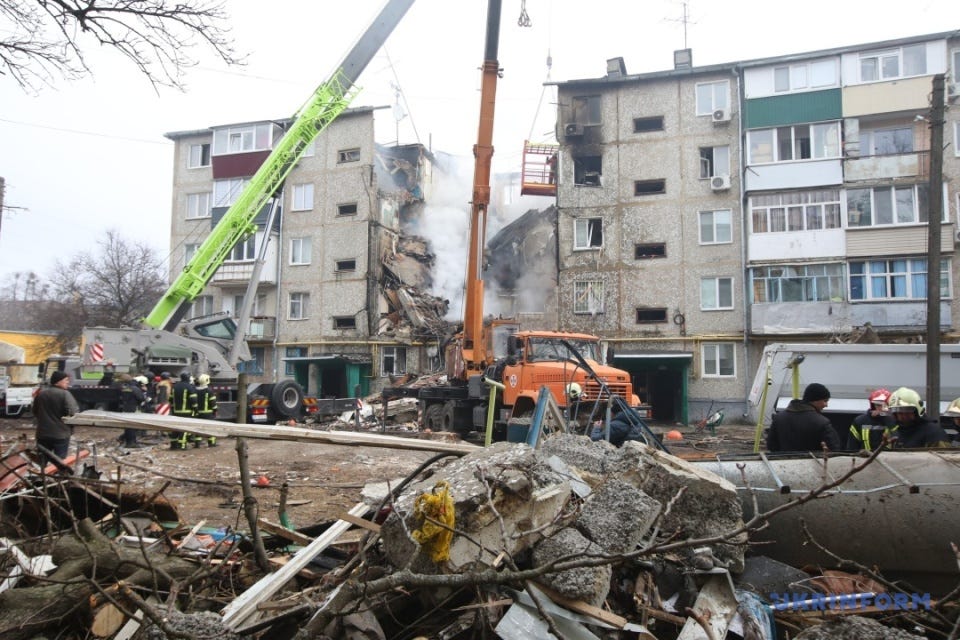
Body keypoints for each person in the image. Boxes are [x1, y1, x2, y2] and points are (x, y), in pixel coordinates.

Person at [766, 382, 842, 452]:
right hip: (813, 465)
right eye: (825, 401)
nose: (826, 405)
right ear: (815, 400)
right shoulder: (822, 422)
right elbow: (834, 449)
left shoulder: (779, 418)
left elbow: (771, 445)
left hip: (783, 464)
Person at [33, 370, 80, 467]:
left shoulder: (41, 394)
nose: (68, 382)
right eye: (66, 380)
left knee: (41, 461)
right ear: (58, 381)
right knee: (60, 462)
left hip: (42, 434)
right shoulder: (65, 394)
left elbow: (35, 411)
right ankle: (58, 479)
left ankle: (40, 480)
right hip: (60, 435)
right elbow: (73, 413)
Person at [846, 388, 896, 452]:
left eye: (885, 405)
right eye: (878, 405)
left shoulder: (894, 421)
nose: (881, 408)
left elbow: (899, 440)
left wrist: (888, 419)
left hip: (889, 460)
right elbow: (851, 447)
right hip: (865, 459)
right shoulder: (860, 421)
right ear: (872, 405)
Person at [170, 372, 198, 450]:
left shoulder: (175, 386)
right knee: (185, 428)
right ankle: (182, 445)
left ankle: (173, 445)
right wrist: (195, 409)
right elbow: (193, 400)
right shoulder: (189, 387)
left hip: (176, 411)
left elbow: (171, 399)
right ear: (188, 378)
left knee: (175, 428)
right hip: (186, 412)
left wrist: (173, 409)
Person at [118, 373, 146, 448]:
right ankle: (132, 443)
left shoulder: (124, 388)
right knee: (133, 426)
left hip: (125, 409)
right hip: (134, 409)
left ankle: (127, 441)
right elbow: (141, 398)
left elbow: (120, 398)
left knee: (128, 426)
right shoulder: (135, 388)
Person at [192, 373, 218, 447]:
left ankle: (197, 443)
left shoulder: (195, 390)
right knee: (210, 428)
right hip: (208, 413)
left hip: (198, 413)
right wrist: (215, 410)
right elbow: (213, 402)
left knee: (198, 428)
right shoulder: (209, 391)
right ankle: (212, 443)